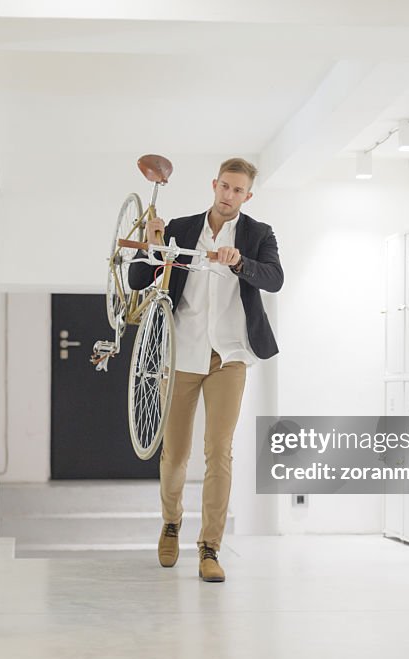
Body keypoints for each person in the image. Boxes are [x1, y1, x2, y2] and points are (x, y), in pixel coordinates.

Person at [128, 157, 283, 582]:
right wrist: (154, 242)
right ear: (214, 185)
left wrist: (239, 263)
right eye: (225, 187)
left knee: (220, 450)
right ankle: (171, 523)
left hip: (229, 357)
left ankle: (210, 547)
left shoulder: (258, 234)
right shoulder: (180, 227)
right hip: (182, 354)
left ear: (247, 196)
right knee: (176, 453)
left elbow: (274, 279)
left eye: (238, 191)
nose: (229, 196)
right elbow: (139, 278)